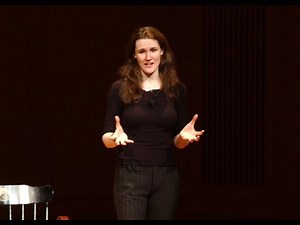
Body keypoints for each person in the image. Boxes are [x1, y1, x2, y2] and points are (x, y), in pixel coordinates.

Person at [101, 26, 205, 220]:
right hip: (131, 176)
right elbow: (106, 136)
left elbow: (178, 142)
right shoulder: (119, 88)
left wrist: (183, 138)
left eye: (153, 50)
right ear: (134, 55)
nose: (148, 57)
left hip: (166, 176)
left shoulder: (177, 90)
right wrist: (115, 138)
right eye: (142, 51)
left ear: (162, 52)